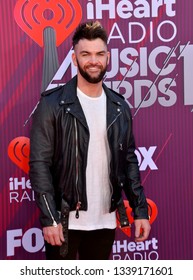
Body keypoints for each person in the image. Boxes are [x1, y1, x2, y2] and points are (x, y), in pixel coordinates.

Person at [29, 21, 151, 260]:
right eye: (85, 54)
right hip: (64, 222)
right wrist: (50, 218)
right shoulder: (52, 105)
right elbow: (39, 164)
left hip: (105, 220)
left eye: (99, 54)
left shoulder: (119, 106)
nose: (93, 61)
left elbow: (129, 162)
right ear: (75, 59)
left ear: (107, 59)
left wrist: (140, 211)